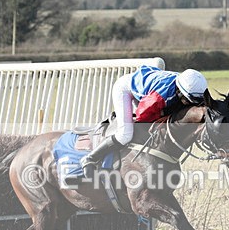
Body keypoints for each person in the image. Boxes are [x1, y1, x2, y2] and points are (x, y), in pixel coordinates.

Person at [80, 65, 208, 176]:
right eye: (188, 100)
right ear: (180, 91)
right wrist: (164, 114)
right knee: (125, 135)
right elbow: (142, 116)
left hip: (147, 88)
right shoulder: (159, 97)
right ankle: (90, 158)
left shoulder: (190, 86)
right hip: (126, 90)